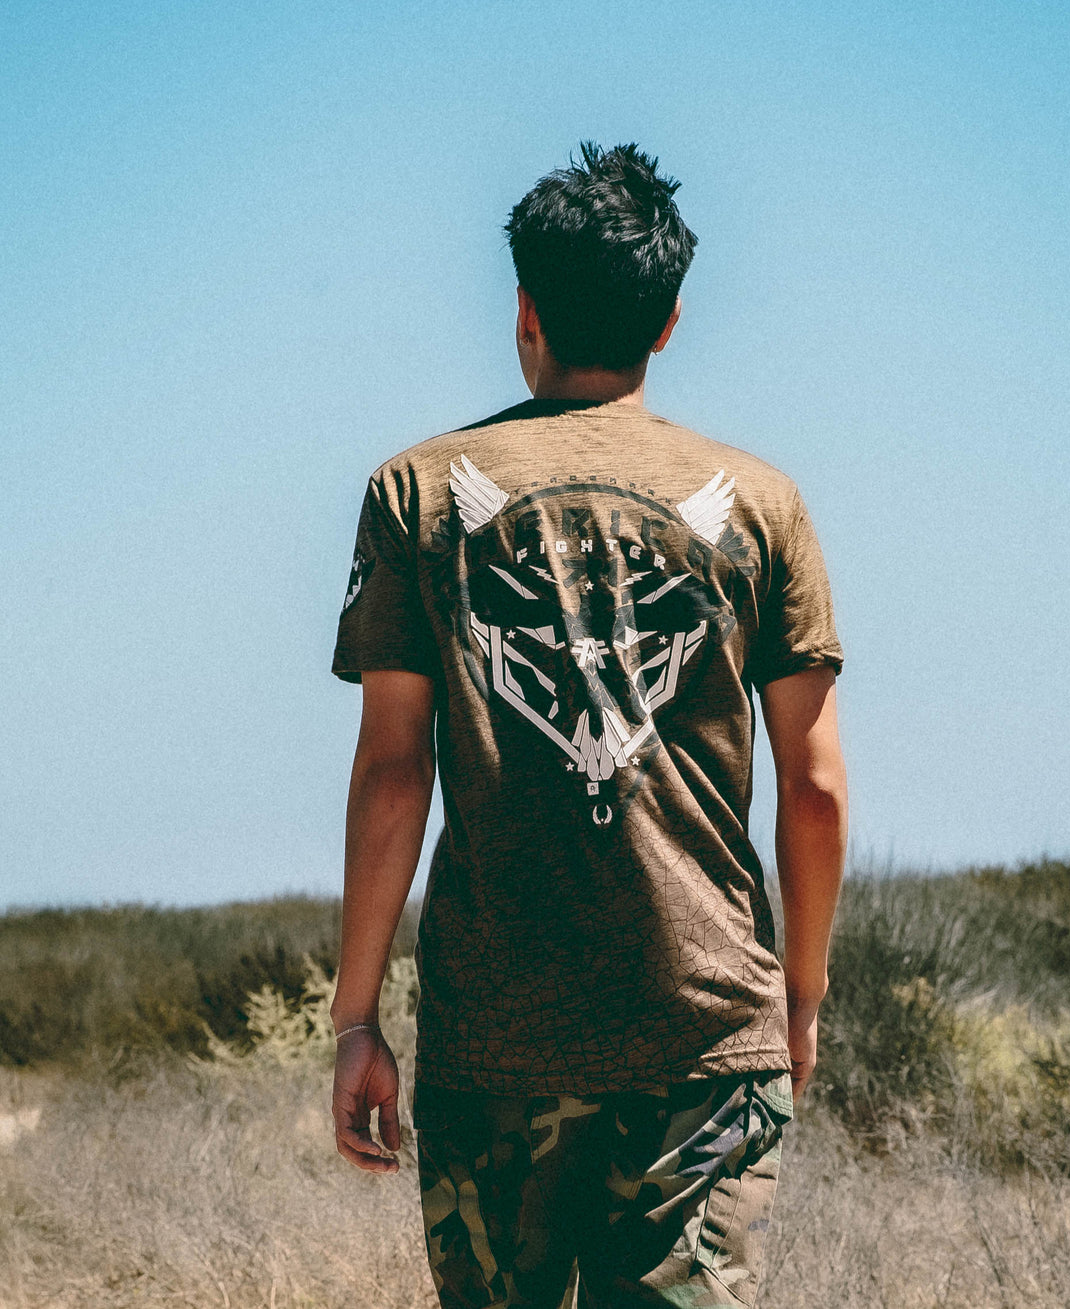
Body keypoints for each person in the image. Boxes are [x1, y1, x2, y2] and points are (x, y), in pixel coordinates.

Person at [328, 141, 848, 1309]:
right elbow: (813, 782)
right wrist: (799, 994)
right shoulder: (760, 503)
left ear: (524, 310)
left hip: (493, 1040)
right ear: (669, 322)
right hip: (707, 1031)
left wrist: (357, 1014)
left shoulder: (416, 491)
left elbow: (394, 771)